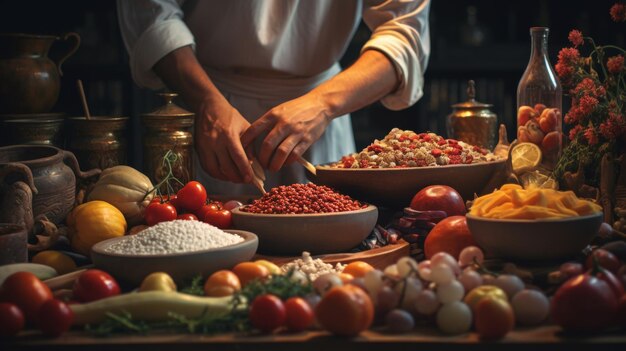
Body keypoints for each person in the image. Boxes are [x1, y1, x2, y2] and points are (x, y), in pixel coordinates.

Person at [117, 0, 431, 195]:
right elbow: (152, 13)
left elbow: (404, 31)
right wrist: (206, 101)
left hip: (322, 117)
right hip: (211, 109)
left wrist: (322, 104)